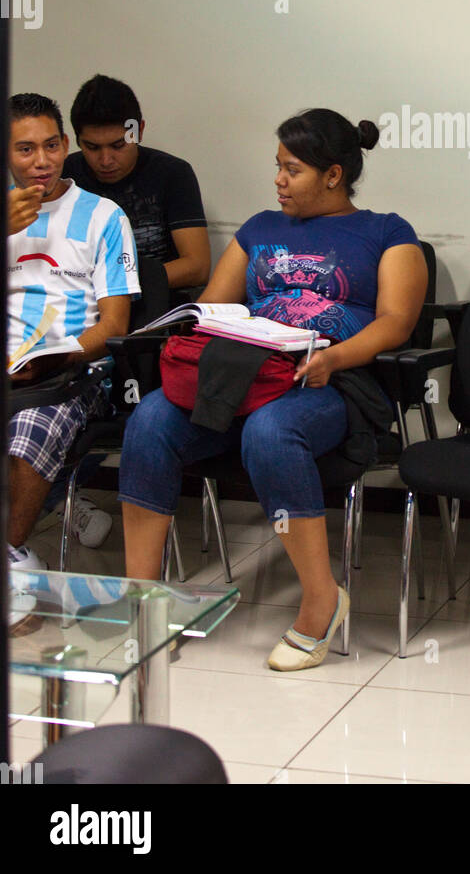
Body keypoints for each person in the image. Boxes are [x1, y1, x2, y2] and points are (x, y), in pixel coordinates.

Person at [118, 108, 427, 671]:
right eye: (278, 167)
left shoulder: (388, 232)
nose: (278, 181)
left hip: (329, 382)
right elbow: (215, 302)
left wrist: (331, 356)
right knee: (150, 422)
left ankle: (320, 600)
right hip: (243, 374)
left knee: (270, 430)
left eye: (292, 170)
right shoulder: (260, 227)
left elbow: (395, 322)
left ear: (333, 174)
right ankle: (145, 602)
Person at [6, 93, 140, 572]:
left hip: (72, 372)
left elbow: (114, 327)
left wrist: (57, 358)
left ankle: (13, 550)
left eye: (51, 145)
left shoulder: (104, 217)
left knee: (29, 427)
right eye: (25, 149)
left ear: (65, 145)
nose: (41, 161)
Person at [64, 74, 210, 294]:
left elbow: (197, 267)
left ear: (138, 131)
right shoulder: (64, 175)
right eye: (92, 147)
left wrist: (116, 285)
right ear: (76, 140)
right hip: (80, 302)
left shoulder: (172, 173)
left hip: (152, 302)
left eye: (118, 145)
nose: (106, 160)